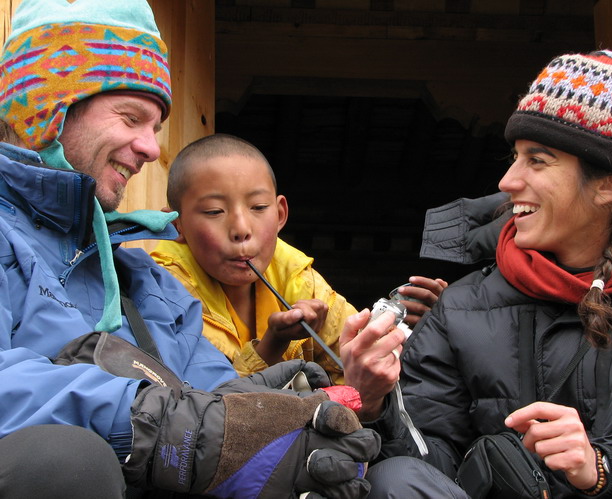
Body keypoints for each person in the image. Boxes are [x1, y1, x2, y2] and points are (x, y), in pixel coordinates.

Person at [0, 1, 386, 497]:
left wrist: (268, 414)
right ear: (47, 110)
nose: (151, 149)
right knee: (66, 463)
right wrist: (154, 420)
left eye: (156, 128)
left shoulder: (145, 280)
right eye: (131, 117)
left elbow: (207, 402)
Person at [342, 50, 612, 497]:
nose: (507, 181)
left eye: (538, 160)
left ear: (609, 183)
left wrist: (604, 470)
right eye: (515, 157)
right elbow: (426, 466)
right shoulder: (461, 308)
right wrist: (374, 403)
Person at [150, 133, 447, 382]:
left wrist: (437, 326)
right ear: (175, 226)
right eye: (215, 211)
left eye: (258, 207)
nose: (241, 229)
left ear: (280, 214)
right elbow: (193, 409)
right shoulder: (161, 291)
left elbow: (359, 368)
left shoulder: (298, 279)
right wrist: (272, 345)